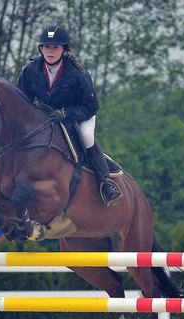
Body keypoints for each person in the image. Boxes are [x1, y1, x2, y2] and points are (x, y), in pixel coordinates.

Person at [16, 25, 123, 207]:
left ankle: (106, 183)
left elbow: (91, 106)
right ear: (40, 49)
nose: (50, 51)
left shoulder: (77, 73)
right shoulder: (30, 71)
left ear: (64, 50)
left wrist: (66, 114)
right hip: (46, 120)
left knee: (86, 136)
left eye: (55, 47)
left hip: (79, 115)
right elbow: (21, 99)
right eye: (46, 47)